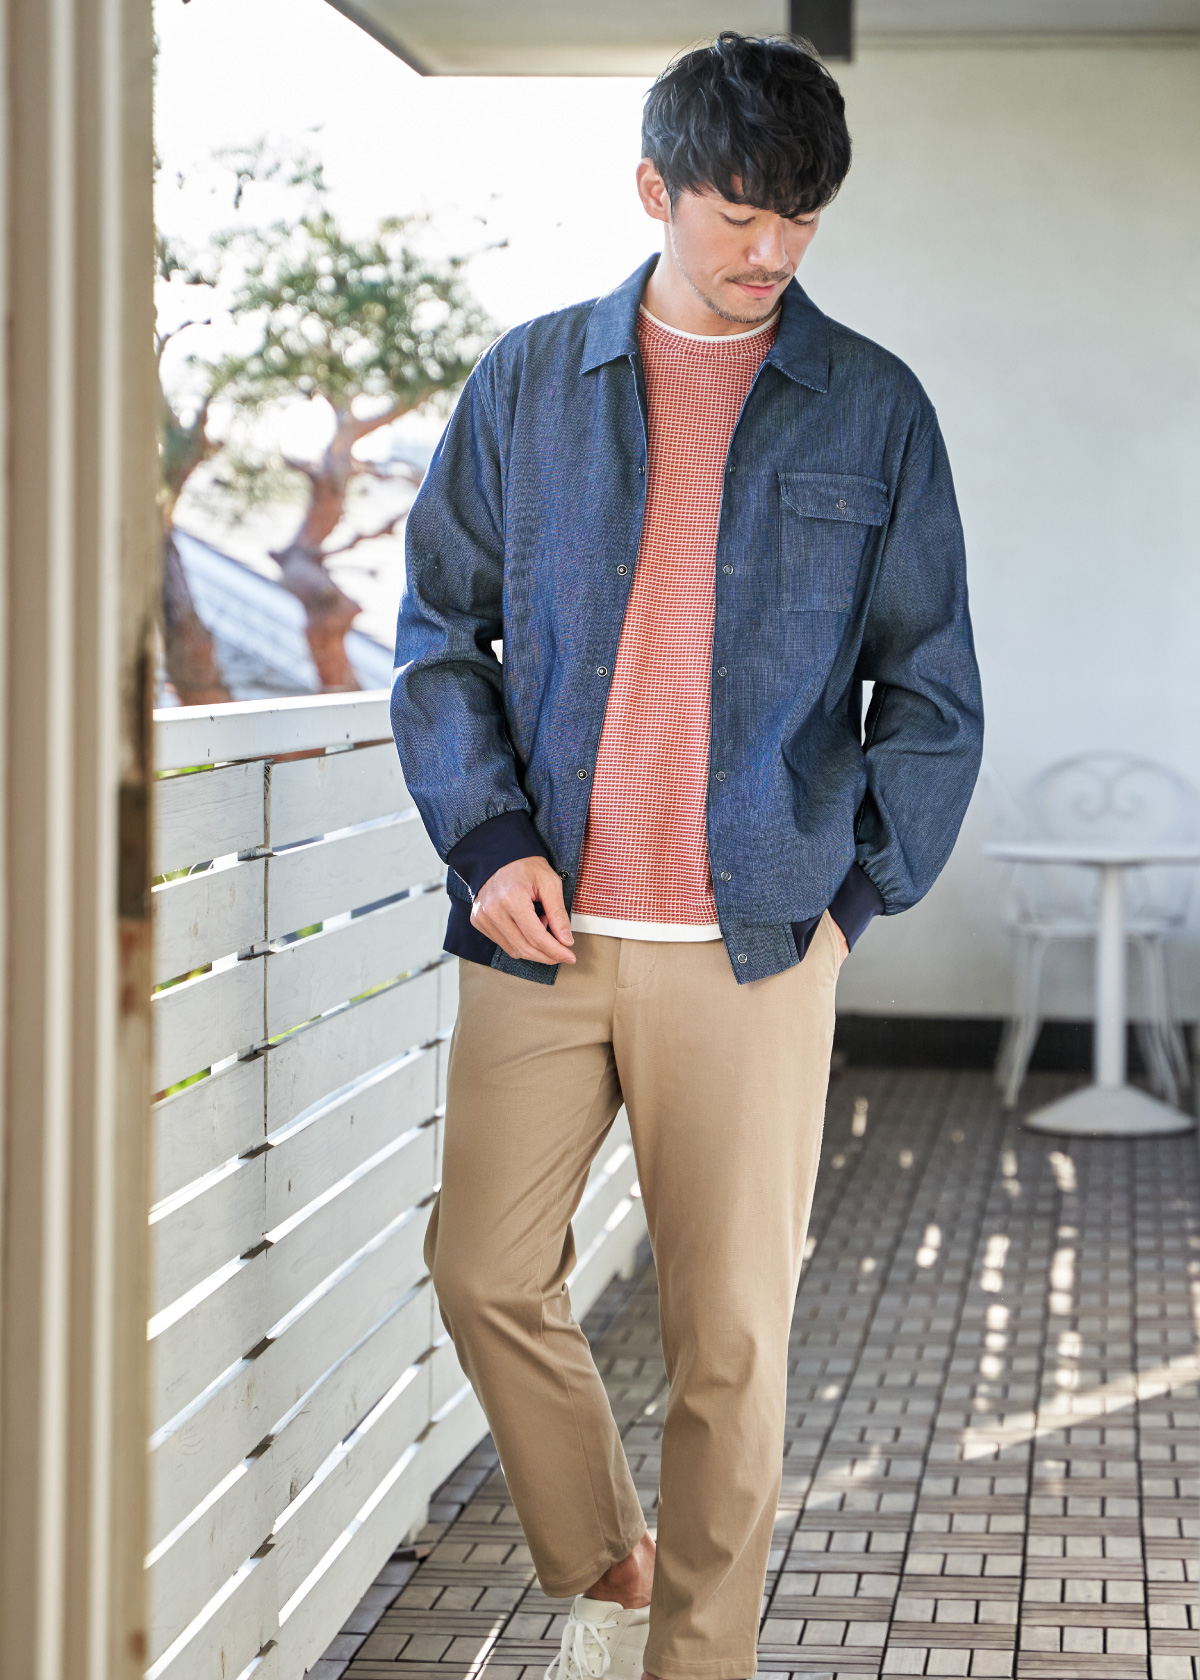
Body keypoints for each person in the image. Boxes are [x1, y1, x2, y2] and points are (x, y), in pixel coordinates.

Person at [392, 30, 982, 1680]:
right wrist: (487, 836)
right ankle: (607, 1569)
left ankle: (696, 1664)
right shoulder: (527, 382)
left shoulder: (874, 406)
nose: (771, 250)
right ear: (654, 189)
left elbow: (932, 694)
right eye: (738, 212)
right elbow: (438, 631)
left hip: (755, 945)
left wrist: (849, 901)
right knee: (483, 1271)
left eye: (801, 216)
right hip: (542, 931)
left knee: (729, 1345)